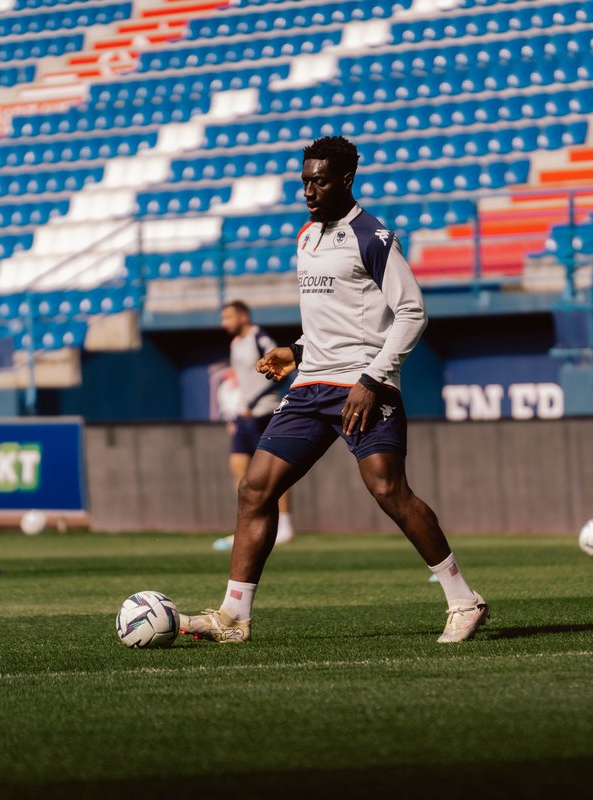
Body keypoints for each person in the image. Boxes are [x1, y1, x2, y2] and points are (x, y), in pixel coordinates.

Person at [180, 135, 488, 643]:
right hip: (310, 387)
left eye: (318, 181)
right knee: (254, 489)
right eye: (303, 180)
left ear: (345, 179)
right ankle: (233, 618)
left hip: (363, 386)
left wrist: (372, 380)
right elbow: (338, 318)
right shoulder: (307, 236)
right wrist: (296, 351)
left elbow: (412, 312)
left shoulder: (374, 236)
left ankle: (464, 600)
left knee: (388, 490)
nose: (308, 190)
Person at [212, 300, 294, 551]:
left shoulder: (259, 337)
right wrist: (235, 411)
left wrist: (254, 401)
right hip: (244, 414)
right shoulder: (235, 343)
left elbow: (280, 373)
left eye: (228, 317)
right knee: (239, 467)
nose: (223, 323)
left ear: (243, 316)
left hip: (265, 411)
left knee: (273, 471)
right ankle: (248, 526)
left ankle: (285, 525)